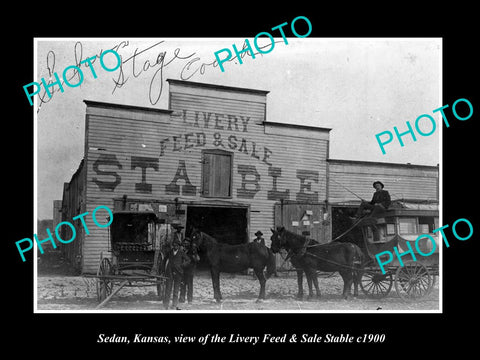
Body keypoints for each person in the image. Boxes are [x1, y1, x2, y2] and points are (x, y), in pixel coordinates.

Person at [163, 238, 191, 310]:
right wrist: (163, 269)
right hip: (169, 273)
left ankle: (174, 305)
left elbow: (188, 260)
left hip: (178, 273)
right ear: (172, 245)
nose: (175, 247)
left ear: (179, 246)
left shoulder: (181, 252)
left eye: (177, 246)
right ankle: (166, 305)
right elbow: (164, 260)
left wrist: (182, 265)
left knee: (176, 290)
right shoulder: (169, 252)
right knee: (168, 289)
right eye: (174, 245)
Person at [179, 237, 200, 304]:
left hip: (190, 270)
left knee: (189, 285)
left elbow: (196, 259)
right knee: (182, 285)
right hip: (182, 270)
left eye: (187, 242)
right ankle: (182, 299)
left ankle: (189, 300)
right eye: (184, 242)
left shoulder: (192, 250)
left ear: (189, 243)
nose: (185, 244)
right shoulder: (181, 250)